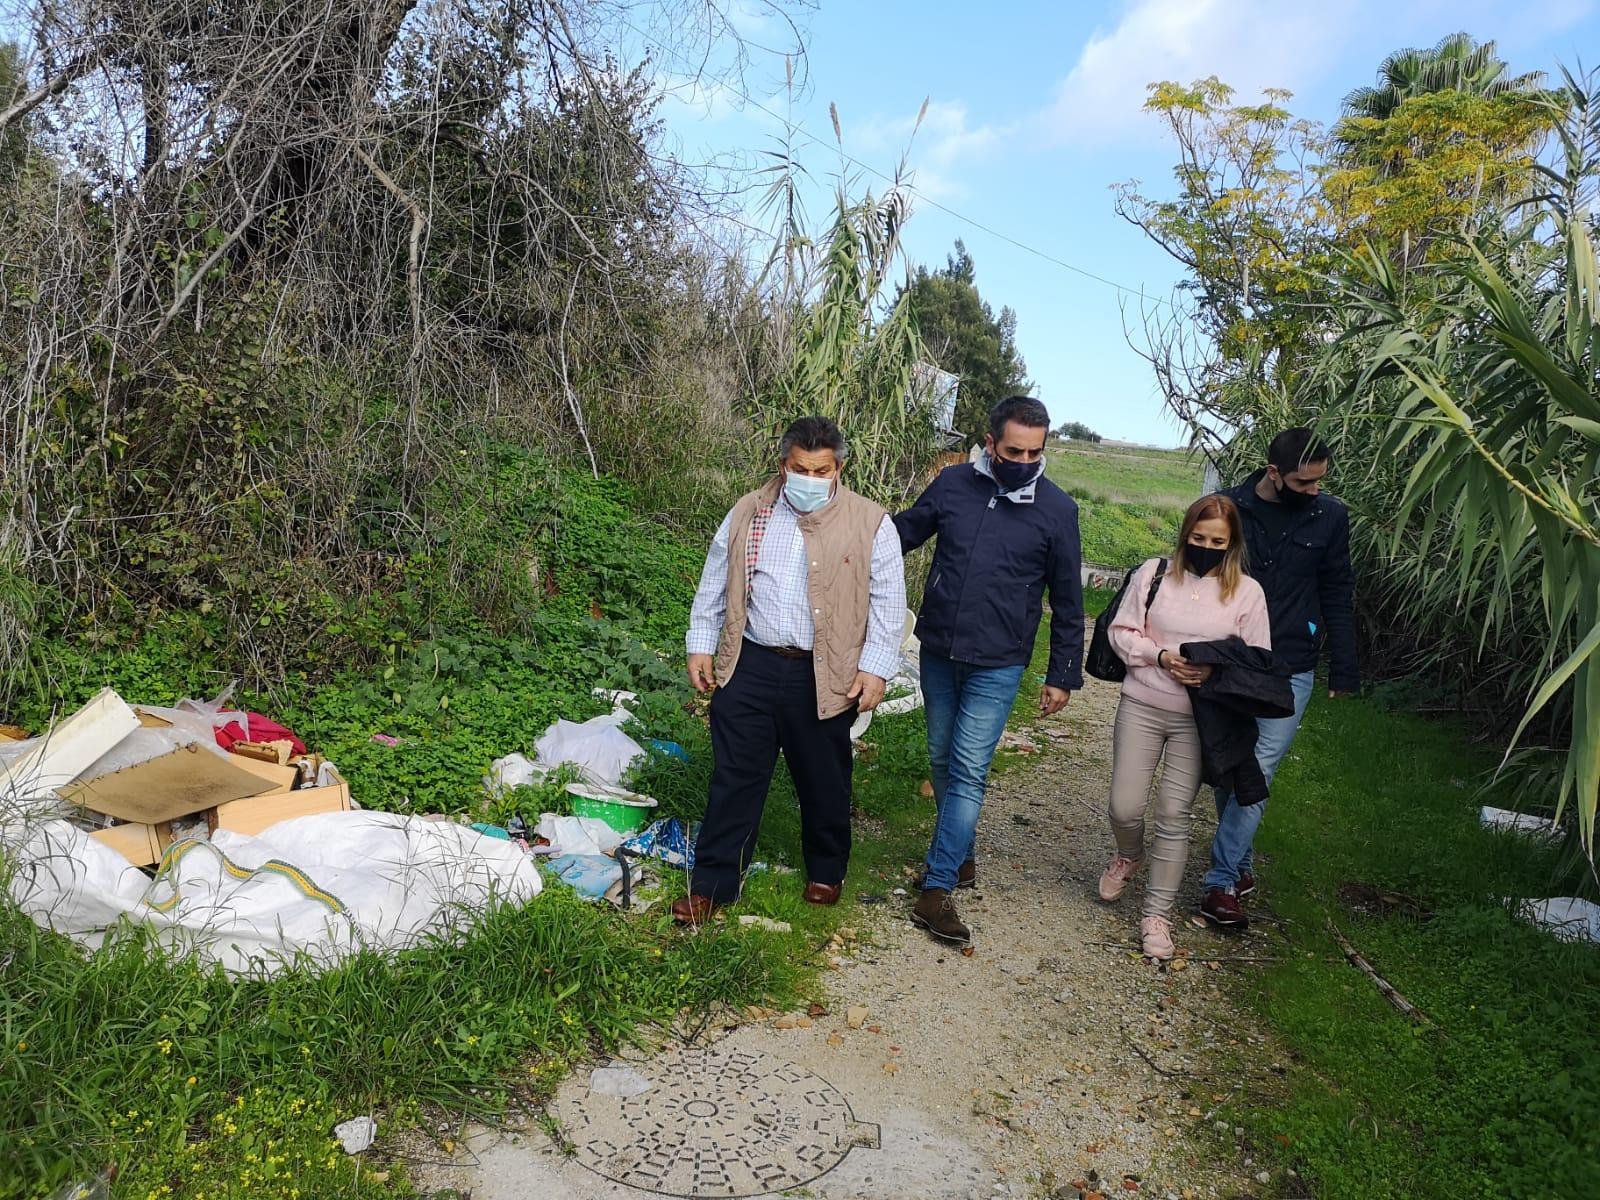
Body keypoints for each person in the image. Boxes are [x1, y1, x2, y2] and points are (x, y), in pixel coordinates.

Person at [672, 416, 907, 924]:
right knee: (735, 778)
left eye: (821, 470)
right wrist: (700, 645)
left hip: (824, 672)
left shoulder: (870, 523)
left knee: (823, 778)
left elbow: (889, 603)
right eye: (800, 468)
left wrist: (876, 669)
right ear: (784, 464)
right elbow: (717, 578)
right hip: (751, 663)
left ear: (838, 468)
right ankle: (713, 884)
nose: (810, 478)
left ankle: (826, 870)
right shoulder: (749, 512)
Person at [893, 396, 1085, 947]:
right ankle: (964, 856)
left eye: (1035, 452)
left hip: (1000, 662)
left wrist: (1062, 673)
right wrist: (847, 530)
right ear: (991, 442)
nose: (1024, 460)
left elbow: (1068, 600)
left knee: (969, 768)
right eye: (1014, 450)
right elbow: (902, 534)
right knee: (941, 758)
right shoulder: (954, 487)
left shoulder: (1058, 511)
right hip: (938, 651)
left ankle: (936, 888)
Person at [1099, 494, 1270, 961]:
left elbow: (1257, 662)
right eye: (1198, 538)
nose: (1206, 546)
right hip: (1143, 702)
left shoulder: (1248, 593)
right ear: (1185, 534)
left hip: (1202, 718)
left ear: (1232, 542)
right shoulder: (1154, 574)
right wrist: (1158, 655)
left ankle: (1156, 915)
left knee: (1175, 816)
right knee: (1124, 805)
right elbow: (1120, 630)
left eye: (1217, 540)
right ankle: (1129, 854)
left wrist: (1214, 671)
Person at [1199, 429, 1358, 928]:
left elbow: (1336, 587)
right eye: (1302, 482)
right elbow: (1199, 575)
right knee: (1230, 764)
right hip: (1230, 660)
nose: (1313, 490)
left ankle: (1220, 882)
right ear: (1273, 474)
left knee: (1260, 767)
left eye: (1319, 482)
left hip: (1292, 662)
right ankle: (1241, 863)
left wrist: (1346, 666)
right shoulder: (1228, 509)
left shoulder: (1330, 517)